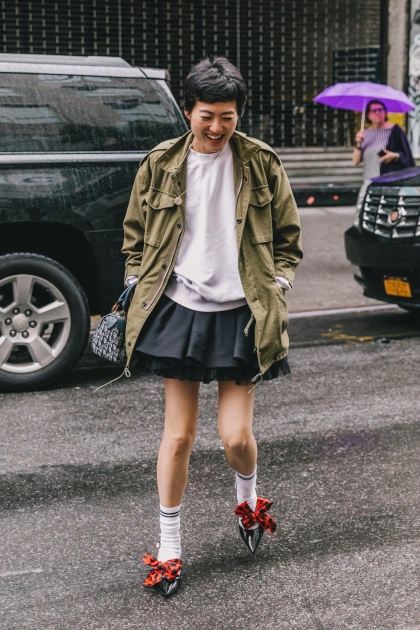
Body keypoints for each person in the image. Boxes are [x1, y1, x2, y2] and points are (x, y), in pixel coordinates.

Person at [122, 56, 302, 598]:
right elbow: (135, 234)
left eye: (227, 116)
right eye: (207, 115)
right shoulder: (160, 163)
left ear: (238, 113)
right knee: (178, 435)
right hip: (179, 308)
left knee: (235, 437)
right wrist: (135, 279)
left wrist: (278, 284)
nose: (218, 126)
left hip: (243, 312)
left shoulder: (261, 163)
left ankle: (247, 500)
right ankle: (169, 547)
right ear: (188, 111)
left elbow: (288, 238)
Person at [352, 99, 415, 180]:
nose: (378, 113)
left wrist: (395, 156)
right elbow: (355, 161)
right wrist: (359, 144)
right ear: (368, 115)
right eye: (374, 111)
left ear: (385, 112)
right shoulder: (364, 134)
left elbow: (407, 155)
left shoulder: (395, 131)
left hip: (389, 180)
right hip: (369, 181)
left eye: (380, 110)